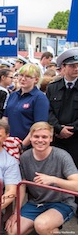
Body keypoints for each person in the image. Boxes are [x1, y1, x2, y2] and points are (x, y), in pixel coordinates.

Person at [5, 122, 78, 235]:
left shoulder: (62, 156)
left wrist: (54, 179)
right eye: (36, 136)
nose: (40, 140)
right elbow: (22, 186)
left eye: (44, 137)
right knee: (12, 231)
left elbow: (76, 185)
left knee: (41, 225)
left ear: (51, 139)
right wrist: (15, 212)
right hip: (36, 203)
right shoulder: (25, 157)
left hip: (61, 203)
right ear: (31, 138)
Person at [46, 47, 78, 199]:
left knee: (75, 172)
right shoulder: (53, 87)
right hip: (57, 137)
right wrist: (58, 129)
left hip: (76, 139)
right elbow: (48, 111)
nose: (76, 69)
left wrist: (71, 130)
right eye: (72, 66)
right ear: (63, 68)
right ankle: (56, 200)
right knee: (56, 170)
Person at [3, 63, 49, 142]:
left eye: (28, 76)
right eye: (20, 75)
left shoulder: (39, 98)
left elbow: (39, 127)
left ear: (36, 80)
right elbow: (5, 119)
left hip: (27, 145)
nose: (22, 79)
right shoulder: (13, 95)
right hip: (9, 142)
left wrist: (23, 145)